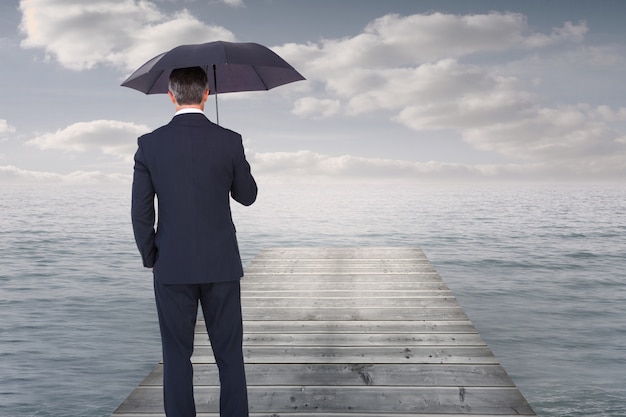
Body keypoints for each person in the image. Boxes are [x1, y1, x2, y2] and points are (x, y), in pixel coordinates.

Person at [131, 66, 257, 417]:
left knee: (175, 356)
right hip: (221, 264)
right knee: (229, 354)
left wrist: (150, 255)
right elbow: (247, 196)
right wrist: (237, 164)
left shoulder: (149, 145)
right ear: (207, 94)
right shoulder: (229, 140)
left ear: (170, 96)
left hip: (171, 263)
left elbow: (141, 213)